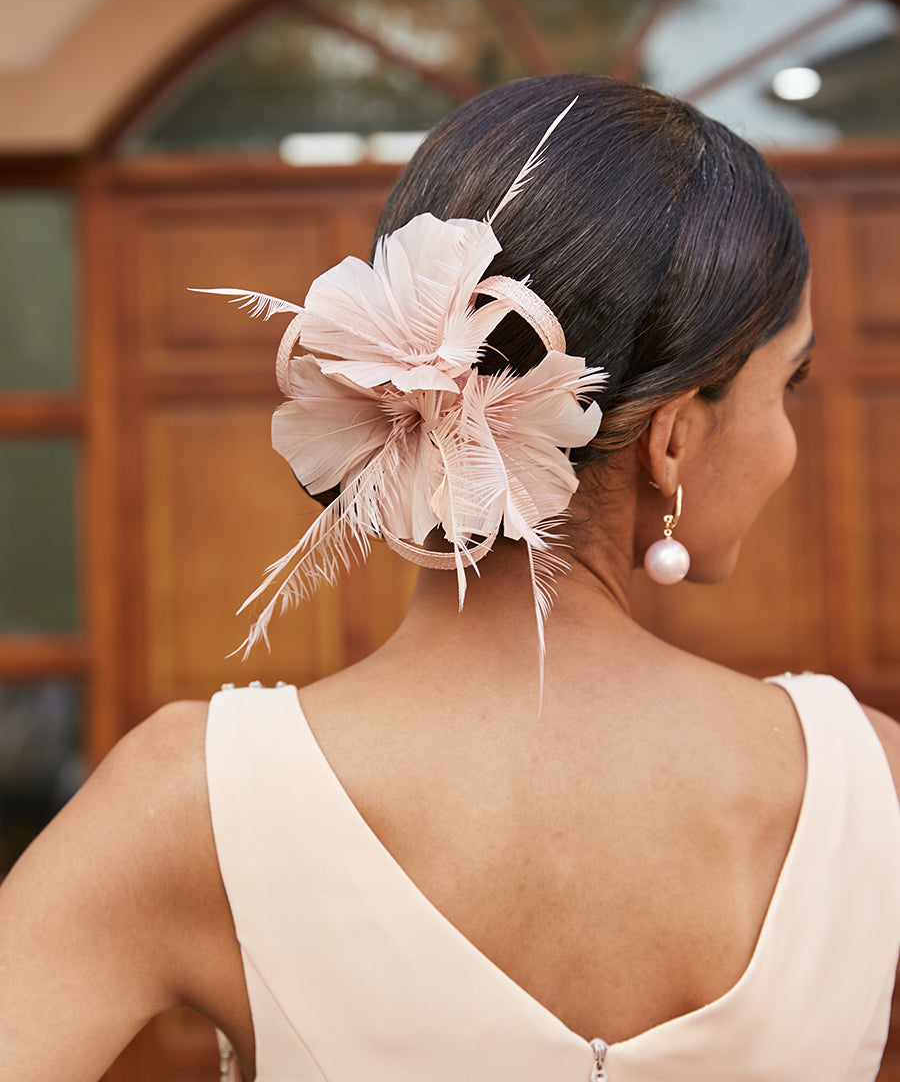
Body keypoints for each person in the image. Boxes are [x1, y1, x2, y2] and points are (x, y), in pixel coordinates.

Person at [2, 74, 899, 1082]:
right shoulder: (871, 786)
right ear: (678, 440)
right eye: (792, 386)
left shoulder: (191, 798)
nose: (788, 444)